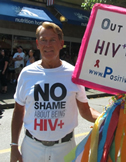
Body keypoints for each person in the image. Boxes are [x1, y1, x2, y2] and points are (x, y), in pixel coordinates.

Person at [10, 22, 100, 162]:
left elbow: (85, 111)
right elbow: (18, 111)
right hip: (32, 148)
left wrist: (108, 117)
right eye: (43, 40)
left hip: (65, 149)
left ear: (61, 43)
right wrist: (14, 146)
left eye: (53, 39)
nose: (48, 44)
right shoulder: (26, 73)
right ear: (37, 44)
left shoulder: (74, 74)